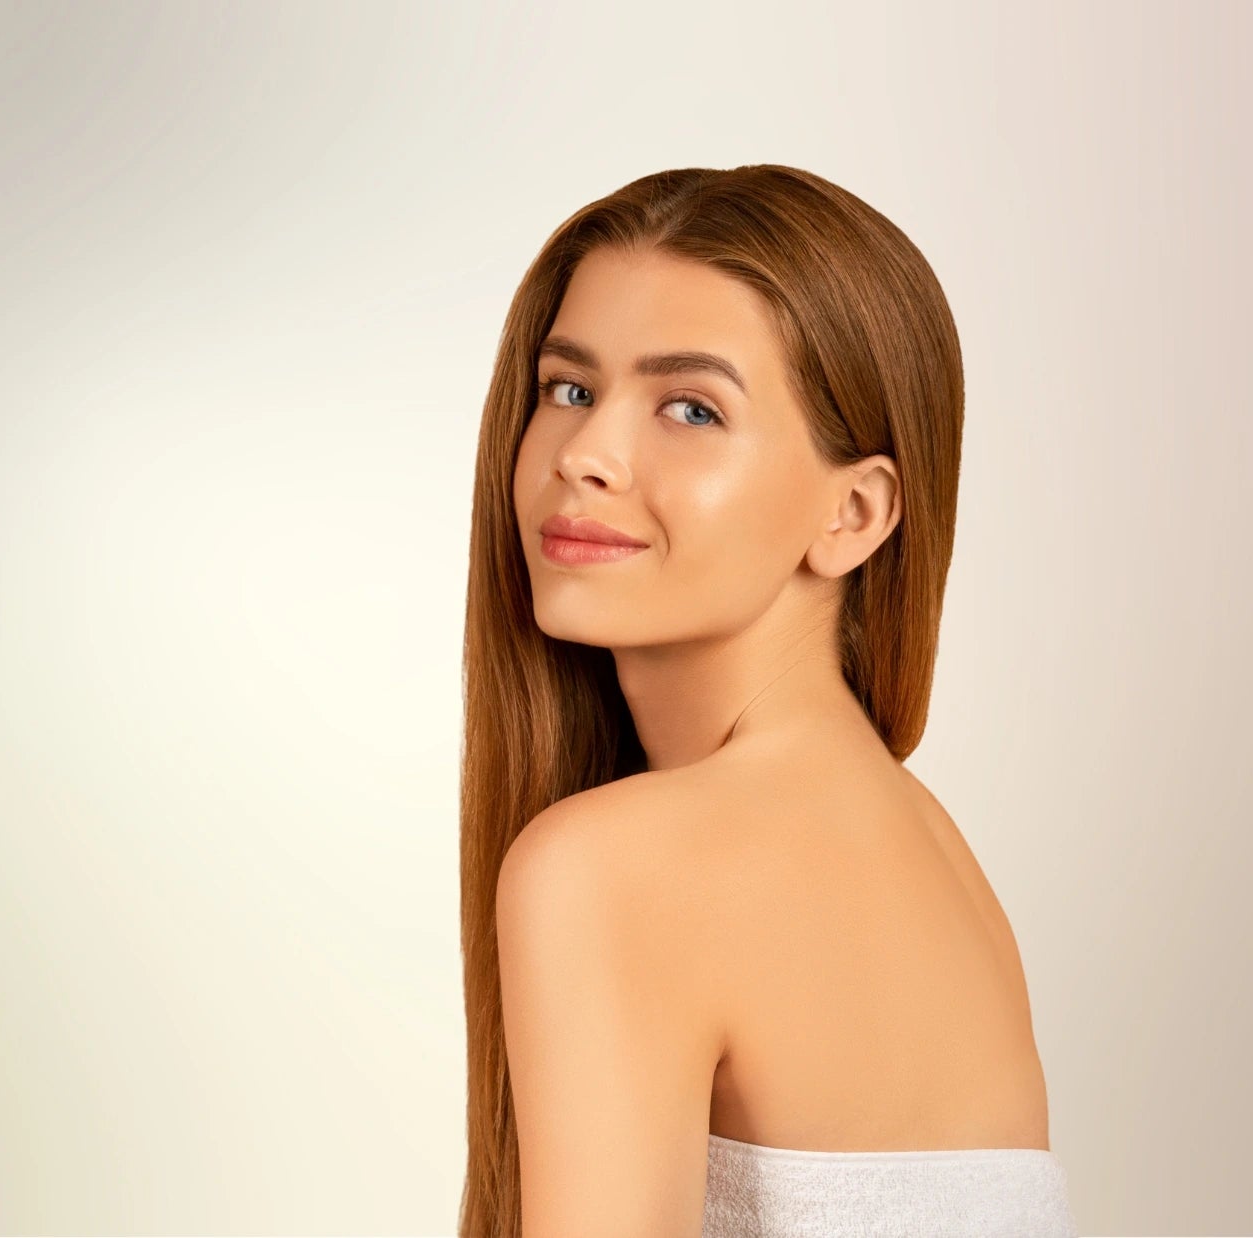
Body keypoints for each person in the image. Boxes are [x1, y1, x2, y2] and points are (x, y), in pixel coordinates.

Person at [455, 165, 1076, 1238]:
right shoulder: (929, 850)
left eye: (689, 407)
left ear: (853, 512)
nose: (587, 455)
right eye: (568, 389)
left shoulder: (614, 863)